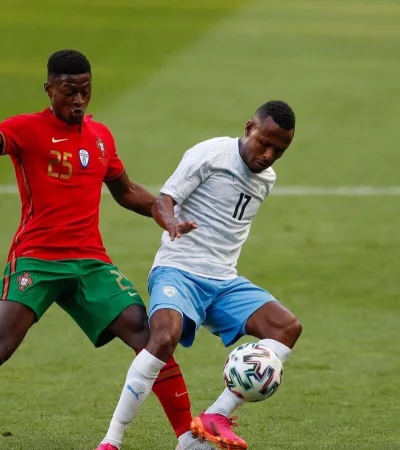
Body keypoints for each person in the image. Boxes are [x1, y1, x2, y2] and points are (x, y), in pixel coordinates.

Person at [0, 49, 207, 450]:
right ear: (49, 90)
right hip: (37, 260)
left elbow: (126, 191)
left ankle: (187, 437)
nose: (78, 100)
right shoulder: (27, 129)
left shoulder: (100, 137)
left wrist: (164, 213)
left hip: (90, 264)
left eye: (85, 91)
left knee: (150, 336)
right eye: (68, 92)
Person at [96, 101, 302, 450]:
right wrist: (172, 222)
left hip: (223, 281)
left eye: (279, 150)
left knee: (286, 328)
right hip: (178, 271)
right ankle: (112, 441)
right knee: (163, 338)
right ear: (249, 128)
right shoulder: (209, 154)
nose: (268, 155)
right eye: (264, 143)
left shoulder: (266, 179)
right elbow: (164, 199)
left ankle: (215, 416)